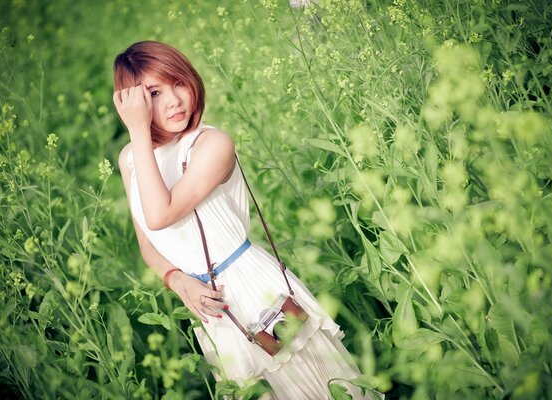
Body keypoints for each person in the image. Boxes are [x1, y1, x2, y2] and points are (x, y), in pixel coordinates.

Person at [112, 40, 380, 399]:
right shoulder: (131, 158)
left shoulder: (212, 143)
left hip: (254, 290)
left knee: (318, 390)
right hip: (209, 307)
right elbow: (147, 242)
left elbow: (160, 215)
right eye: (155, 93)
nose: (174, 100)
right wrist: (178, 281)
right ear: (132, 102)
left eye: (179, 83)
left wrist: (137, 131)